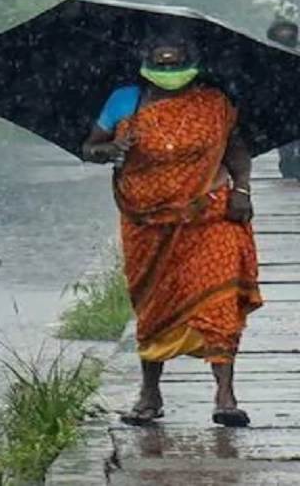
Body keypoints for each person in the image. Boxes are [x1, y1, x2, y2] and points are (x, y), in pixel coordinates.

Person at [81, 27, 262, 428]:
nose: (168, 71)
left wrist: (243, 190)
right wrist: (108, 150)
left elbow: (236, 149)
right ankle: (150, 394)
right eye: (160, 64)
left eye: (176, 64)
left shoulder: (214, 102)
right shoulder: (124, 100)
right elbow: (90, 146)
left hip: (209, 215)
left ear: (193, 65)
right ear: (144, 65)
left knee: (218, 301)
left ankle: (225, 396)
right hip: (147, 221)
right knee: (153, 306)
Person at [266, 18, 300, 179]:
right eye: (281, 31)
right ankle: (288, 167)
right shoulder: (266, 54)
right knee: (286, 145)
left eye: (288, 31)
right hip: (280, 105)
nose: (285, 34)